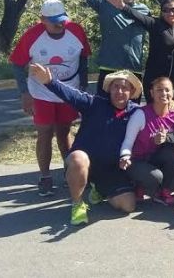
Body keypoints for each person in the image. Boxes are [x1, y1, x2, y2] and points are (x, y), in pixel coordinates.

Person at [28, 64, 139, 225]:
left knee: (128, 206)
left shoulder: (136, 112)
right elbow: (71, 95)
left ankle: (99, 188)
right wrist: (50, 82)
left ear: (132, 92)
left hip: (110, 169)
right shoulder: (94, 104)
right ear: (109, 89)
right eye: (115, 87)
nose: (119, 91)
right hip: (81, 164)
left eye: (124, 88)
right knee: (78, 159)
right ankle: (77, 203)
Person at [10, 0, 91, 196]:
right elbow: (16, 63)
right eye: (54, 21)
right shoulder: (32, 35)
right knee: (45, 132)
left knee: (64, 132)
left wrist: (83, 84)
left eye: (62, 20)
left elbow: (83, 57)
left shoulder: (76, 30)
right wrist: (25, 93)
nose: (59, 24)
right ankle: (45, 177)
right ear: (42, 20)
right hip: (41, 92)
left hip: (67, 91)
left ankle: (68, 171)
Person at [79, 0, 149, 98]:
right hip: (108, 67)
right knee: (104, 111)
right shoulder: (105, 4)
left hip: (133, 68)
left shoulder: (144, 11)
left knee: (131, 114)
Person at [105, 0, 174, 106]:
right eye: (166, 10)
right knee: (155, 112)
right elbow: (138, 16)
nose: (171, 13)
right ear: (161, 12)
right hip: (154, 79)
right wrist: (122, 6)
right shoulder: (155, 24)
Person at [119, 77, 174, 206]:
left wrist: (168, 137)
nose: (163, 93)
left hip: (157, 157)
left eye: (167, 90)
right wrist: (125, 156)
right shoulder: (141, 114)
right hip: (138, 160)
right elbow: (128, 142)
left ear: (173, 92)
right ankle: (137, 184)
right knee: (156, 178)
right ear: (152, 93)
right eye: (159, 90)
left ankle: (162, 192)